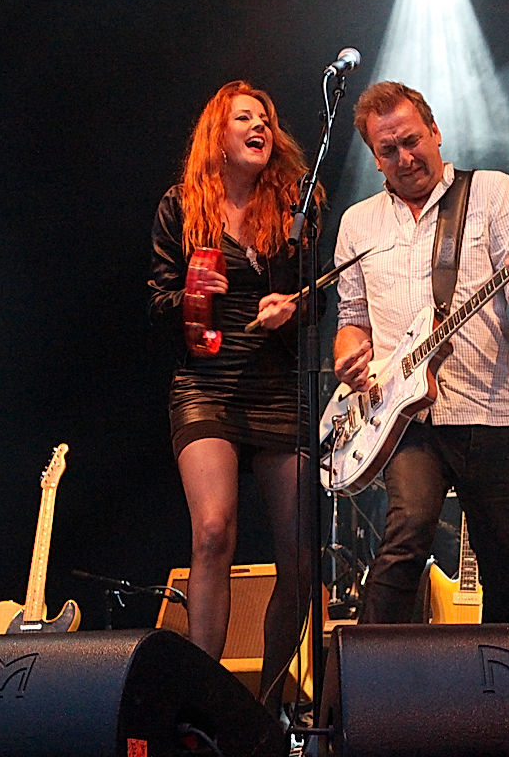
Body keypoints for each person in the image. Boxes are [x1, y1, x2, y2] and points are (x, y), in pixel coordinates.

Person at [333, 81, 509, 624]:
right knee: (403, 540)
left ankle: (503, 701)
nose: (405, 158)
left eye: (412, 141)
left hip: (493, 411)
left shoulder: (490, 191)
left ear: (435, 131)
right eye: (389, 150)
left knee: (507, 572)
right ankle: (367, 695)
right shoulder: (357, 223)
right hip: (406, 420)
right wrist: (350, 357)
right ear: (374, 158)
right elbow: (351, 322)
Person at [148, 80, 316, 716]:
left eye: (267, 118)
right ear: (216, 134)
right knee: (214, 530)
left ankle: (269, 705)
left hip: (277, 384)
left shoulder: (299, 203)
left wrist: (293, 308)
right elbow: (155, 301)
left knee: (301, 557)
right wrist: (194, 292)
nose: (261, 126)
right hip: (206, 384)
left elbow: (323, 296)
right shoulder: (181, 207)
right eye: (245, 117)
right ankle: (202, 707)